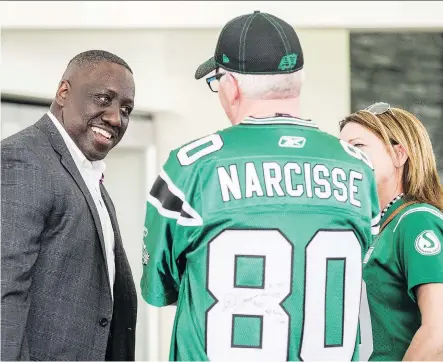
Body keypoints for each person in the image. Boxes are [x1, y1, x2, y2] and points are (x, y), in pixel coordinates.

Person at [141, 11, 380, 361]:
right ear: (297, 81)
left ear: (231, 86)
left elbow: (161, 288)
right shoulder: (359, 168)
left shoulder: (191, 167)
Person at [1, 50, 138, 361]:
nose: (116, 118)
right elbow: (4, 291)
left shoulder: (87, 174)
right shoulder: (23, 160)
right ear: (64, 92)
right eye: (104, 99)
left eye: (126, 109)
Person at [340, 102, 443, 361]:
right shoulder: (379, 225)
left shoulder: (417, 220)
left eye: (358, 146)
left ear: (399, 154)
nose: (348, 157)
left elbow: (438, 333)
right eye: (343, 149)